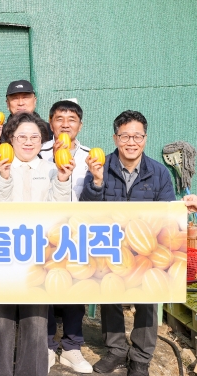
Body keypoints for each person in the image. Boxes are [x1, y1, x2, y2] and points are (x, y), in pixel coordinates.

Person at [81, 110, 175, 376]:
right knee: (109, 293)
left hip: (146, 246)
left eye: (137, 136)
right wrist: (96, 181)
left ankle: (141, 357)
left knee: (149, 296)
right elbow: (86, 208)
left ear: (145, 138)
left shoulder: (159, 172)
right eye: (125, 136)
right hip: (111, 244)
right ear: (115, 138)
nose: (131, 142)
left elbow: (167, 211)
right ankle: (116, 350)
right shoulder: (100, 167)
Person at [0, 112, 73, 376]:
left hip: (38, 255)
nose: (29, 142)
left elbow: (59, 212)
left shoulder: (51, 168)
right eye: (22, 136)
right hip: (2, 253)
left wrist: (63, 181)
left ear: (42, 140)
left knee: (35, 322)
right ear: (10, 138)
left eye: (35, 137)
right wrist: (4, 176)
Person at [39, 100, 93, 373]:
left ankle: (72, 347)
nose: (65, 124)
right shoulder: (38, 153)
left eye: (71, 119)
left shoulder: (91, 157)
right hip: (45, 232)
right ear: (51, 123)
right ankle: (47, 346)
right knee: (44, 289)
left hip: (77, 234)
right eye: (59, 119)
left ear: (80, 126)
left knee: (76, 290)